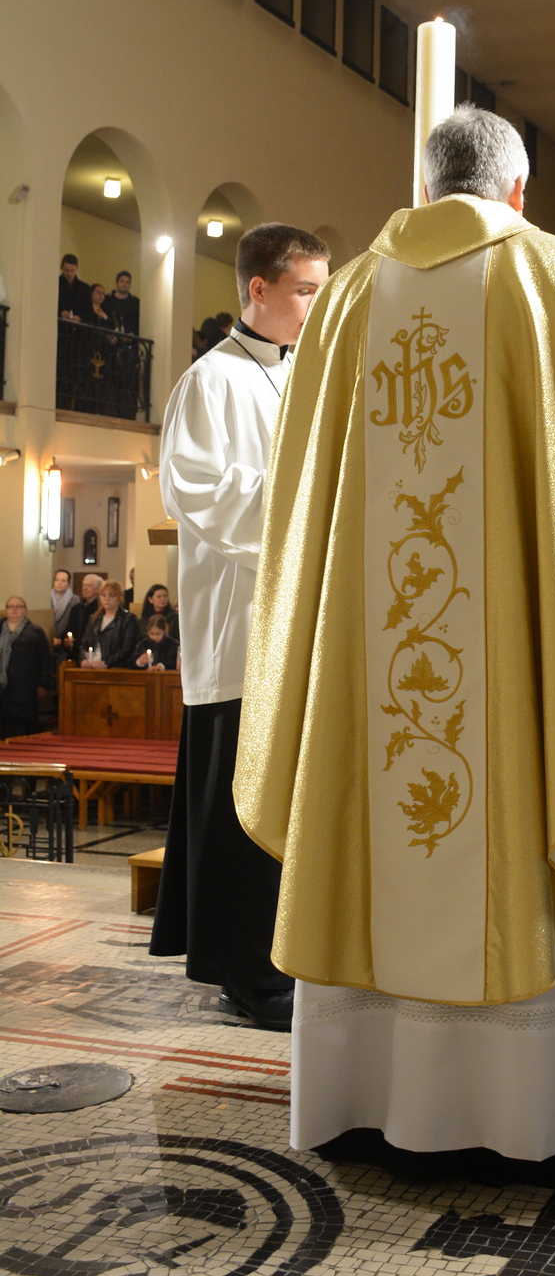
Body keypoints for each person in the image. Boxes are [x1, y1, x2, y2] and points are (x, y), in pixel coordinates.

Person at [235, 105, 555, 1161]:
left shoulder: (346, 300)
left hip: (368, 656)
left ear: (428, 184)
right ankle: (528, 1112)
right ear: (518, 189)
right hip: (510, 668)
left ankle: (363, 1095)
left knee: (366, 796)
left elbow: (300, 495)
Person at [149, 222, 330, 1031]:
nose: (315, 306)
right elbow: (194, 489)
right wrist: (305, 503)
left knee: (280, 812)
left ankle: (280, 959)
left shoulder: (299, 376)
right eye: (304, 291)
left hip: (295, 626)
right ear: (258, 289)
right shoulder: (210, 380)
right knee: (238, 814)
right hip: (241, 631)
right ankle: (246, 976)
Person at [0, 597, 53, 736]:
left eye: (19, 606)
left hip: (24, 686)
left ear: (25, 610)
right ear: (6, 610)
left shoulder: (35, 632)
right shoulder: (1, 629)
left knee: (19, 724)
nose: (15, 610)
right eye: (11, 607)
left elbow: (45, 659)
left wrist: (43, 684)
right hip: (2, 684)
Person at [79, 581, 141, 668]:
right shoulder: (94, 618)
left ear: (119, 598)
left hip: (115, 667)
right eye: (103, 595)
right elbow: (84, 643)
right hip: (92, 664)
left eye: (111, 596)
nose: (107, 599)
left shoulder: (128, 619)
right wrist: (83, 659)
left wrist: (106, 663)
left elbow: (127, 649)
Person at [63, 572, 102, 662]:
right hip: (76, 653)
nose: (84, 588)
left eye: (89, 585)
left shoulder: (100, 609)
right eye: (83, 585)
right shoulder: (76, 609)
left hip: (93, 654)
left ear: (98, 590)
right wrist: (67, 640)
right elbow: (70, 628)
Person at [107, 271, 140, 335]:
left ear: (130, 284)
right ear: (116, 283)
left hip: (131, 338)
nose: (124, 284)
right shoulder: (107, 300)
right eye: (122, 281)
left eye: (127, 282)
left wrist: (132, 334)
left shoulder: (135, 302)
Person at [59, 254, 91, 321]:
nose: (69, 274)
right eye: (66, 270)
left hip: (77, 326)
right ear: (61, 267)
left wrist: (80, 317)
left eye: (72, 270)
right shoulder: (56, 284)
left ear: (77, 269)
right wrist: (60, 312)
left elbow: (88, 311)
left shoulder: (84, 288)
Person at [49, 568, 74, 648]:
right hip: (48, 639)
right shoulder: (46, 598)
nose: (59, 583)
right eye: (57, 580)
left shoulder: (74, 599)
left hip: (65, 642)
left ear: (68, 583)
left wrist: (64, 639)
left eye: (63, 581)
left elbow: (75, 622)